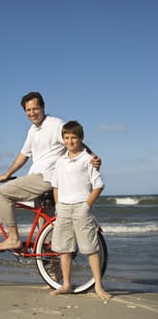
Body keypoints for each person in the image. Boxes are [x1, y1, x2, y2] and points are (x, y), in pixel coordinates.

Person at [0, 92, 101, 251]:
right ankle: (53, 269)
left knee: (1, 193)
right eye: (28, 110)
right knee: (47, 229)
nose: (32, 113)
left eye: (35, 109)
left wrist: (92, 157)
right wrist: (8, 173)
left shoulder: (56, 125)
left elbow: (75, 141)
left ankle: (13, 238)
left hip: (45, 177)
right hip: (44, 180)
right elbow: (24, 154)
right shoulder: (32, 130)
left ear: (43, 107)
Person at [51, 120, 111, 301]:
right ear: (63, 139)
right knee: (65, 249)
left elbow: (98, 185)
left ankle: (99, 286)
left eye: (74, 138)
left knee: (90, 248)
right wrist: (58, 205)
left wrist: (86, 206)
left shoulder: (87, 159)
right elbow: (55, 186)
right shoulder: (60, 161)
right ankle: (67, 284)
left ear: (81, 139)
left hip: (81, 208)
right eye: (67, 138)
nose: (70, 141)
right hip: (63, 208)